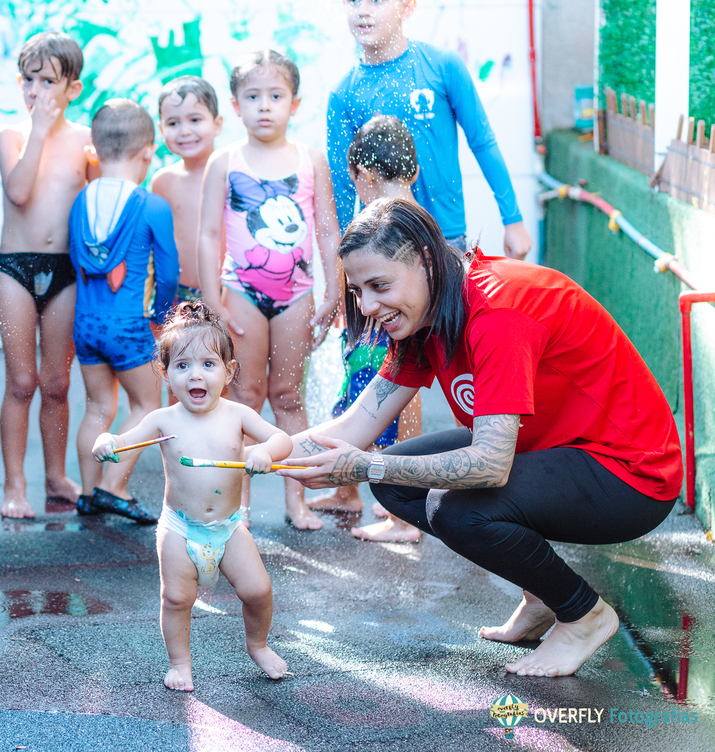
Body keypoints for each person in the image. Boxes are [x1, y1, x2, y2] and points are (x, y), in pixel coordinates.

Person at [286, 198, 682, 678]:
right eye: (359, 290)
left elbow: (490, 465)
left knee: (454, 508)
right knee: (395, 486)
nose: (368, 307)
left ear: (426, 262)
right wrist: (253, 452)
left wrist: (366, 464)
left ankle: (584, 615)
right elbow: (354, 427)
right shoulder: (427, 313)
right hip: (552, 452)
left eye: (379, 286)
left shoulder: (497, 313)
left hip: (630, 476)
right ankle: (541, 595)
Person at [92, 302, 291, 691]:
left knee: (258, 589)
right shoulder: (163, 421)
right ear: (166, 376)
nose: (194, 375)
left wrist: (265, 453)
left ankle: (258, 644)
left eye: (208, 364)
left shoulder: (237, 415)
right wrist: (105, 441)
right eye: (182, 366)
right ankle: (180, 664)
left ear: (229, 371)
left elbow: (280, 438)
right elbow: (121, 441)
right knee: (177, 599)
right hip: (180, 529)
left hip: (229, 528)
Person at [197, 50, 340, 530]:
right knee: (245, 395)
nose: (264, 106)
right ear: (236, 106)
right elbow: (210, 234)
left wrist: (333, 291)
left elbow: (326, 231)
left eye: (275, 96)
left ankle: (296, 501)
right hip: (241, 292)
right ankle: (237, 507)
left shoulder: (309, 160)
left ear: (294, 103)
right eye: (253, 96)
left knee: (288, 396)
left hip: (296, 296)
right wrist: (211, 298)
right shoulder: (225, 161)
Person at [327, 0, 532, 259]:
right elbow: (343, 186)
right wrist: (345, 268)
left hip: (447, 239)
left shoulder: (442, 66)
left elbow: (483, 142)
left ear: (407, 8)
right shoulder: (343, 95)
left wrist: (512, 219)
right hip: (384, 247)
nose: (363, 10)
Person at [306, 116, 423, 542]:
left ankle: (405, 517)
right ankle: (348, 491)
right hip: (373, 333)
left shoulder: (385, 216)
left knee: (380, 414)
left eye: (354, 179)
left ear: (364, 173)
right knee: (355, 404)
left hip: (385, 337)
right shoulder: (413, 213)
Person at [0, 32, 93, 519]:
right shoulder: (10, 135)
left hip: (65, 272)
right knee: (21, 382)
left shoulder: (85, 141)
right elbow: (18, 192)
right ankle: (15, 485)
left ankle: (56, 476)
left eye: (48, 81)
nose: (36, 91)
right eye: (28, 81)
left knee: (56, 382)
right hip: (15, 268)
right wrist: (37, 131)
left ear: (72, 89)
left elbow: (100, 205)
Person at [71, 99, 178, 524]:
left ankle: (86, 491)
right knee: (149, 409)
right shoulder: (152, 205)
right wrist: (162, 318)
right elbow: (168, 272)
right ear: (148, 153)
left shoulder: (80, 201)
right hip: (129, 323)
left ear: (94, 150)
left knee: (98, 407)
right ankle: (113, 488)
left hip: (85, 323)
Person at [151, 76, 224, 304]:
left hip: (230, 293)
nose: (184, 131)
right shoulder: (163, 181)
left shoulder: (233, 174)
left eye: (195, 119)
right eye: (173, 124)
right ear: (161, 129)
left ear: (217, 124)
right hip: (179, 296)